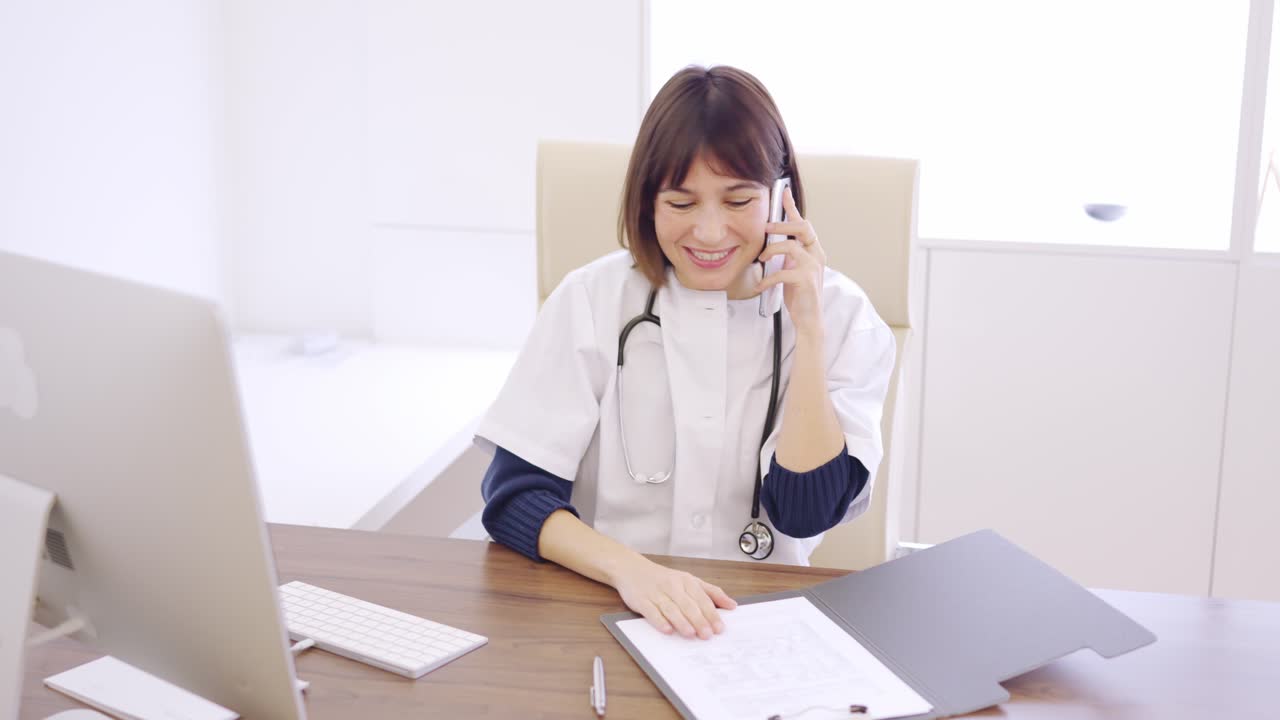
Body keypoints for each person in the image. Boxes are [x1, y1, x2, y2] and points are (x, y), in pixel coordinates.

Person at [475, 65, 896, 642]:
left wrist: (809, 327)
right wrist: (633, 572)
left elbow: (805, 513)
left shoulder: (843, 318)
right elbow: (514, 499)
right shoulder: (592, 299)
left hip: (763, 624)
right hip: (605, 607)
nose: (710, 232)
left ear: (782, 197)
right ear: (647, 202)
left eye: (738, 200)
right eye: (681, 203)